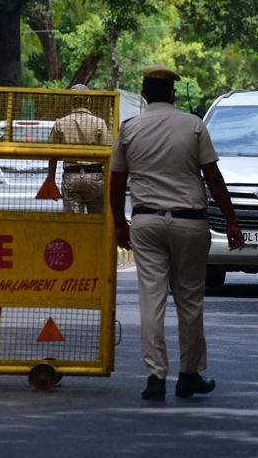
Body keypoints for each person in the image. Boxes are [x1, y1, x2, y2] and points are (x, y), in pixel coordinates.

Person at [109, 65, 245, 402]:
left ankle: (155, 378)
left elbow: (116, 181)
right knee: (189, 299)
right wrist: (231, 220)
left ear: (143, 94)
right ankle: (188, 375)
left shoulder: (129, 128)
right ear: (172, 94)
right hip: (190, 223)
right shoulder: (193, 125)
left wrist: (118, 224)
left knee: (151, 300)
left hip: (146, 223)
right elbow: (212, 177)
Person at [46, 84, 112, 213]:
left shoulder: (61, 123)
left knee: (74, 222)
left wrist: (51, 181)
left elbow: (51, 155)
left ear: (72, 101)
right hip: (95, 177)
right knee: (97, 220)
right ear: (89, 100)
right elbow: (109, 154)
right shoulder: (99, 123)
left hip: (71, 177)